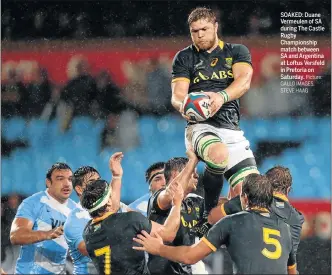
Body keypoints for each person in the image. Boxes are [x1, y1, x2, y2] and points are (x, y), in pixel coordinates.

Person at [170, 6, 259, 231]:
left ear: (216, 27)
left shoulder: (237, 52)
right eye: (194, 31)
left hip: (232, 130)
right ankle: (206, 216)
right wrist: (185, 105)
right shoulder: (184, 57)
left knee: (253, 195)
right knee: (218, 154)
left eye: (204, 29)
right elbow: (177, 94)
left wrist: (221, 97)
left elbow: (244, 81)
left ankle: (224, 224)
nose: (199, 35)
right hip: (200, 127)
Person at [134, 174, 298, 274]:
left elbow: (190, 257)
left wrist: (158, 248)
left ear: (245, 198)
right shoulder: (285, 229)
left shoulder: (233, 222)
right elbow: (292, 271)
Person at [81, 174, 184, 275]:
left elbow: (112, 215)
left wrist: (117, 176)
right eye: (111, 195)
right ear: (108, 202)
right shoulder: (130, 220)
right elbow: (169, 234)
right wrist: (177, 203)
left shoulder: (87, 232)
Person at [209, 165, 304, 260]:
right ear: (288, 190)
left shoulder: (253, 201)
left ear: (264, 184)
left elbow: (214, 219)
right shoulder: (298, 218)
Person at [63, 152, 129, 274]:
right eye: (92, 181)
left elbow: (142, 221)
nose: (98, 185)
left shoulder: (114, 206)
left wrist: (116, 176)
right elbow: (92, 251)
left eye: (98, 180)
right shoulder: (73, 222)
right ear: (79, 189)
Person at [147, 152, 208, 274]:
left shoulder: (195, 202)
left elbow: (225, 205)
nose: (196, 176)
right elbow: (172, 192)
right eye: (192, 172)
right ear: (176, 174)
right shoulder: (158, 198)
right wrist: (193, 160)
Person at [10, 163, 77, 274]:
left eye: (70, 179)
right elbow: (16, 236)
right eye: (60, 179)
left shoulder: (75, 210)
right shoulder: (33, 203)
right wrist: (46, 234)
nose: (67, 184)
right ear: (48, 182)